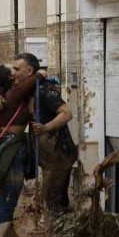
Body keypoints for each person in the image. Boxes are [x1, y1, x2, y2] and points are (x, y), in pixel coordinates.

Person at [0, 54, 46, 225]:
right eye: (12, 70)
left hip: (7, 146)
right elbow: (38, 77)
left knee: (7, 200)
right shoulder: (14, 93)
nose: (15, 72)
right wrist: (41, 73)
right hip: (12, 149)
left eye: (16, 69)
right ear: (10, 77)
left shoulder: (5, 94)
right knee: (8, 202)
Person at [30, 75, 77, 217]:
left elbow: (67, 113)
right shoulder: (28, 91)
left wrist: (46, 128)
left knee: (53, 203)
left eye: (17, 69)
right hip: (49, 156)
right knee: (56, 202)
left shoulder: (44, 90)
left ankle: (55, 236)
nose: (14, 74)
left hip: (58, 154)